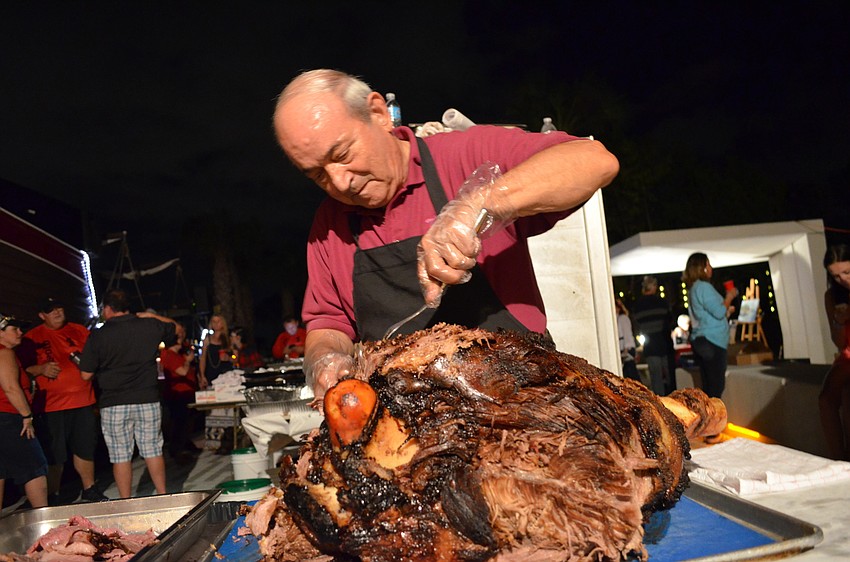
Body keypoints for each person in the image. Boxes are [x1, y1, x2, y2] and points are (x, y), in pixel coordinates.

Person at [272, 69, 619, 398]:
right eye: (317, 175)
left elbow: (593, 161)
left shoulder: (464, 154)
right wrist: (325, 358)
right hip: (408, 414)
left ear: (378, 113)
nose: (339, 182)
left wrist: (478, 204)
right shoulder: (329, 224)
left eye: (343, 154)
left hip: (521, 399)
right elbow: (329, 322)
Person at [78, 289, 177, 498]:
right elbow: (175, 328)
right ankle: (162, 494)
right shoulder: (149, 325)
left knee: (120, 455)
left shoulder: (99, 335)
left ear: (108, 308)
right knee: (153, 449)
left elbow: (85, 374)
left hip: (114, 402)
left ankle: (126, 500)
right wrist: (149, 316)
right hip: (147, 398)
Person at [16, 297, 107, 503]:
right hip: (50, 406)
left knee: (85, 447)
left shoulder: (79, 330)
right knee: (54, 453)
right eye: (51, 310)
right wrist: (40, 369)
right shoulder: (32, 338)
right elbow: (20, 370)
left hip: (83, 401)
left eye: (59, 307)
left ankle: (89, 488)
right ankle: (53, 494)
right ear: (42, 315)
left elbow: (97, 358)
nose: (57, 312)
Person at [0, 313, 48, 509]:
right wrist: (26, 415)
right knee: (34, 467)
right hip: (10, 418)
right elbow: (11, 387)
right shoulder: (4, 353)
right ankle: (43, 517)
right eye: (14, 329)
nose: (20, 332)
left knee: (1, 471)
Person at [682, 253, 737, 400]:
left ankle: (707, 414)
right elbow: (719, 312)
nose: (711, 268)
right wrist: (730, 296)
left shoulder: (693, 288)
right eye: (708, 264)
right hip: (712, 341)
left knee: (708, 386)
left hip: (702, 340)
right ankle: (713, 415)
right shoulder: (703, 287)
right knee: (716, 388)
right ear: (701, 268)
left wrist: (726, 310)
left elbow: (706, 314)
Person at [818, 243, 850, 460]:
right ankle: (839, 459)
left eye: (847, 272)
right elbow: (838, 342)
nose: (843, 279)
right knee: (826, 399)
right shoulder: (832, 296)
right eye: (836, 276)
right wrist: (839, 321)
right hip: (847, 353)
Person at [159, 322, 201, 462]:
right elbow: (181, 371)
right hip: (178, 394)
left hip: (186, 392)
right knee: (179, 422)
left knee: (186, 421)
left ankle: (185, 444)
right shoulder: (169, 355)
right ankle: (177, 449)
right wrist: (188, 361)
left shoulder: (178, 354)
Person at [632, 276, 676, 395]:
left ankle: (660, 401)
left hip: (650, 346)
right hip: (665, 344)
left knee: (656, 379)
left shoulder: (638, 306)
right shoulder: (662, 303)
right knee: (670, 377)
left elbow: (636, 326)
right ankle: (674, 400)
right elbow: (670, 321)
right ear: (654, 287)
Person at [198, 314, 233, 388]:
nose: (216, 324)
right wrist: (202, 375)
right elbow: (203, 358)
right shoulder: (207, 340)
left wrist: (229, 358)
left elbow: (235, 357)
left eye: (218, 321)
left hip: (226, 374)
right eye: (214, 321)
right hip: (211, 373)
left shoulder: (229, 339)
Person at [615, 298, 640, 381]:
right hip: (623, 350)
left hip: (626, 350)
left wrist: (626, 349)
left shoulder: (622, 318)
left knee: (631, 375)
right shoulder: (616, 319)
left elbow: (627, 334)